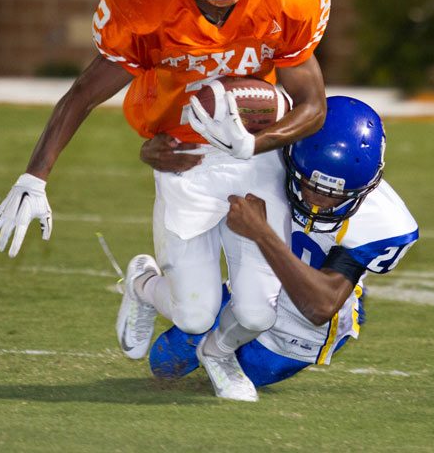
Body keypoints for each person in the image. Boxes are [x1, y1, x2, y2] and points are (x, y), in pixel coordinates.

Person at [0, 0, 330, 402]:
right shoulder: (142, 7)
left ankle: (218, 354)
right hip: (182, 159)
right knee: (192, 313)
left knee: (258, 312)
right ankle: (143, 282)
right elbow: (81, 95)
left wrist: (255, 144)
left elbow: (314, 107)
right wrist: (35, 176)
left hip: (254, 155)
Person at [142, 97, 419, 392]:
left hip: (302, 330)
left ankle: (219, 348)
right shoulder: (271, 156)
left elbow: (320, 306)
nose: (318, 202)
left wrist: (262, 234)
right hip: (259, 285)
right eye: (310, 185)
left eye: (336, 194)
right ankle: (143, 283)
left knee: (226, 381)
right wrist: (152, 150)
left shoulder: (383, 221)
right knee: (165, 364)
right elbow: (201, 142)